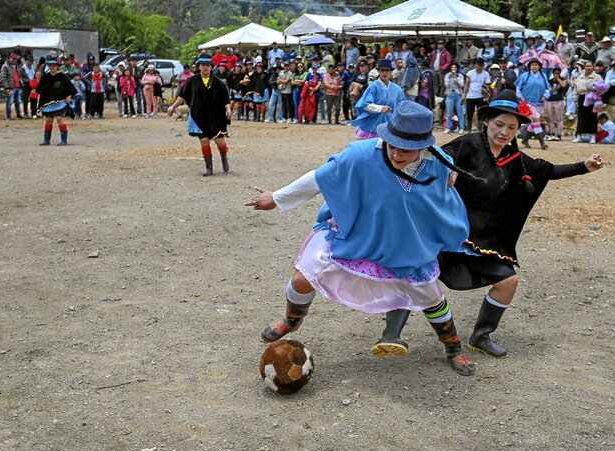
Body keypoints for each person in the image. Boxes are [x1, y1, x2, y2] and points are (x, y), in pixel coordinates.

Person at [245, 101, 477, 376]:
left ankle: (453, 346)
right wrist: (277, 198)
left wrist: (450, 178)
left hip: (404, 244)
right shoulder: (361, 155)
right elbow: (319, 178)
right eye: (392, 144)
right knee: (302, 277)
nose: (396, 154)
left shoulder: (438, 163)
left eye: (405, 149)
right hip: (354, 233)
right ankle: (291, 319)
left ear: (423, 146)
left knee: (431, 298)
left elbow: (446, 196)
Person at [439, 90, 605, 358]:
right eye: (499, 124)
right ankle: (392, 334)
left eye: (512, 127)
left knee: (508, 282)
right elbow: (438, 159)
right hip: (446, 231)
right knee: (414, 278)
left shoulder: (515, 159)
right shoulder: (467, 145)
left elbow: (548, 171)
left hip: (482, 238)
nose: (504, 132)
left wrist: (583, 166)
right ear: (486, 121)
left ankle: (481, 336)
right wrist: (449, 170)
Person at [167, 55, 232, 177]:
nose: (205, 67)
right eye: (202, 65)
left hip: (215, 116)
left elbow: (225, 99)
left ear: (211, 67)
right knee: (204, 140)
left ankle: (224, 159)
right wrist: (173, 106)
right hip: (199, 115)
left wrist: (228, 108)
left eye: (208, 65)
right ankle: (209, 168)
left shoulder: (218, 82)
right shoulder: (192, 81)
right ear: (198, 67)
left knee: (220, 142)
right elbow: (182, 96)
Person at [349, 59, 404, 139]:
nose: (384, 73)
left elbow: (401, 107)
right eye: (382, 70)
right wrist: (380, 108)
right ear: (379, 71)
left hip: (390, 125)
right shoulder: (373, 86)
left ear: (391, 72)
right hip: (373, 124)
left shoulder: (397, 89)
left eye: (387, 70)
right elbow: (366, 104)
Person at [36, 59, 75, 146]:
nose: (52, 67)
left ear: (58, 66)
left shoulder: (62, 76)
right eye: (50, 65)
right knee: (48, 120)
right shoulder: (45, 77)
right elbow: (40, 90)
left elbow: (70, 88)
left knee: (59, 119)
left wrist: (69, 96)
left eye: (54, 65)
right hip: (47, 102)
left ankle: (63, 140)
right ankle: (46, 140)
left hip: (60, 102)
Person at [514, 58, 551, 149]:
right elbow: (518, 88)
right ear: (529, 66)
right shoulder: (524, 76)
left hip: (539, 102)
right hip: (527, 102)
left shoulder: (543, 76)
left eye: (536, 65)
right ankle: (542, 142)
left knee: (533, 121)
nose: (534, 66)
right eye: (532, 65)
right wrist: (521, 97)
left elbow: (548, 88)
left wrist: (545, 96)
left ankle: (525, 139)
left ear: (539, 66)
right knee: (536, 120)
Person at [573, 61, 603, 143]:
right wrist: (575, 99)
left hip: (592, 98)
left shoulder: (597, 77)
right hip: (581, 97)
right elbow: (576, 88)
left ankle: (593, 136)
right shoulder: (580, 77)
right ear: (584, 67)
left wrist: (593, 89)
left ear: (593, 67)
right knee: (581, 117)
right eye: (587, 66)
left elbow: (602, 88)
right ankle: (579, 135)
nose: (588, 67)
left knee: (592, 117)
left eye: (590, 66)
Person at [462, 58, 491, 132]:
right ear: (475, 65)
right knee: (469, 113)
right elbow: (466, 84)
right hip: (470, 95)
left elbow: (487, 85)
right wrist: (464, 94)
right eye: (478, 65)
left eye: (481, 65)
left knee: (480, 114)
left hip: (481, 96)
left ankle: (479, 130)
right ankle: (469, 130)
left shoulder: (486, 74)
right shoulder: (470, 73)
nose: (479, 67)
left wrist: (487, 94)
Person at [544, 67, 567, 141]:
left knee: (559, 118)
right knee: (551, 118)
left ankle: (559, 134)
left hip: (559, 100)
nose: (556, 74)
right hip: (550, 100)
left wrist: (558, 79)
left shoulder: (562, 80)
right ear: (553, 73)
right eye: (555, 73)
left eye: (558, 73)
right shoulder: (549, 81)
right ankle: (552, 133)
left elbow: (563, 85)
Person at [0, 53, 26, 120]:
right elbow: (3, 78)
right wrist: (7, 88)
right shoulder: (5, 66)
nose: (15, 60)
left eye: (15, 59)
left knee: (17, 101)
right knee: (9, 102)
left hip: (18, 86)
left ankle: (18, 114)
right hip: (11, 87)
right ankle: (8, 116)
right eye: (13, 59)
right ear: (9, 59)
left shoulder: (18, 66)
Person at [443, 62, 465, 134]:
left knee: (460, 112)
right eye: (452, 67)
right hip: (450, 94)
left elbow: (462, 84)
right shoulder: (447, 75)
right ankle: (448, 127)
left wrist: (457, 78)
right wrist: (450, 79)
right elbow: (446, 85)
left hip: (458, 94)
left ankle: (462, 127)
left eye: (455, 67)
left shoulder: (460, 75)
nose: (453, 69)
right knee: (449, 112)